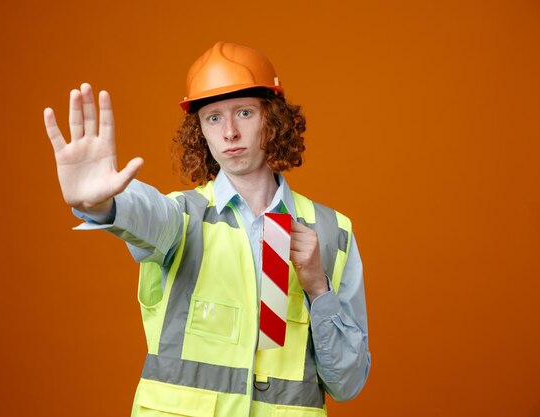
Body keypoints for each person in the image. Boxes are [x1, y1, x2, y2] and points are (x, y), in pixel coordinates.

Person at [44, 41, 370, 417]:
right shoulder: (181, 219)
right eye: (213, 118)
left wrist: (318, 288)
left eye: (244, 113)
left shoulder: (333, 232)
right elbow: (144, 212)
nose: (229, 132)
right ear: (200, 131)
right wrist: (100, 203)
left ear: (273, 119)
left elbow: (346, 384)